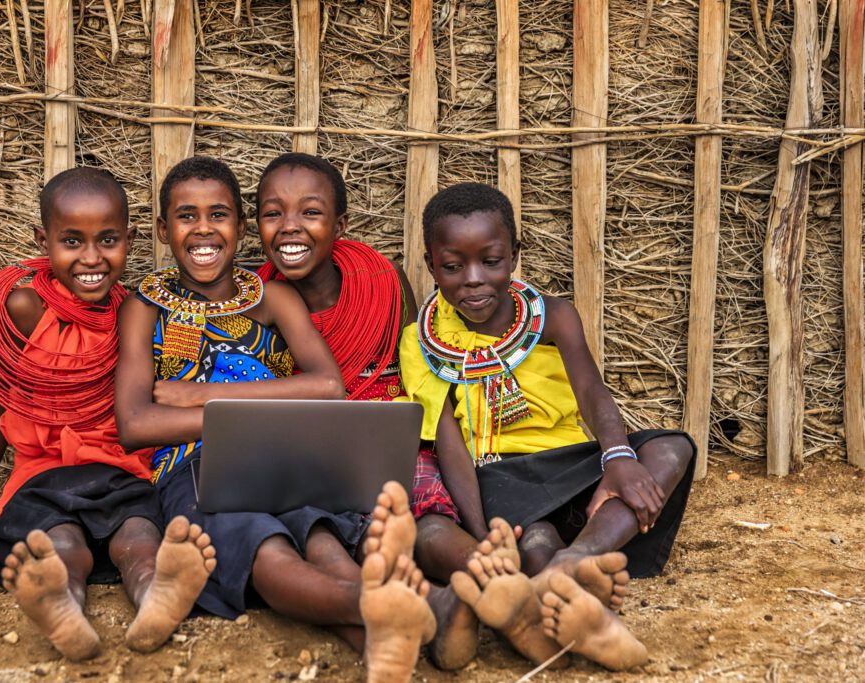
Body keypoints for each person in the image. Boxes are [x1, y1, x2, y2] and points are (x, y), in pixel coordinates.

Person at [114, 156, 435, 683]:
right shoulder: (145, 307)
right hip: (196, 468)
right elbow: (135, 424)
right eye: (186, 216)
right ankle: (388, 606)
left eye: (218, 215)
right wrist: (247, 418)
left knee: (323, 539)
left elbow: (328, 387)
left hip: (284, 459)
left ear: (240, 229)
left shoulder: (272, 297)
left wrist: (202, 398)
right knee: (267, 549)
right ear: (162, 229)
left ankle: (386, 634)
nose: (202, 230)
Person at [0, 167, 216, 660]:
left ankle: (158, 595)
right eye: (72, 241)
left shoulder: (135, 314)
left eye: (107, 240)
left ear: (130, 239)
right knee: (60, 545)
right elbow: (3, 401)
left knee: (139, 540)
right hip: (42, 473)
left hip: (120, 471)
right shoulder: (28, 307)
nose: (91, 258)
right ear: (42, 240)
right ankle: (63, 606)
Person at [400, 182, 696, 670]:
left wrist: (617, 457)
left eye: (490, 261)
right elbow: (448, 437)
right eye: (452, 267)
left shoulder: (553, 316)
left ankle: (578, 559)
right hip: (495, 474)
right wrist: (481, 535)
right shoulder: (421, 341)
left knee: (670, 448)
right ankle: (577, 610)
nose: (473, 280)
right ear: (431, 265)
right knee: (535, 540)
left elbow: (590, 389)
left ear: (515, 255)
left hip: (568, 464)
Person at [255, 152, 491, 669]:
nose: (290, 227)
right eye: (273, 213)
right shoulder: (257, 305)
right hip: (307, 459)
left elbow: (417, 377)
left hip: (387, 439)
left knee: (426, 518)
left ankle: (501, 585)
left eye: (310, 213)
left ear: (341, 224)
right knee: (343, 534)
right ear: (257, 225)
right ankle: (425, 608)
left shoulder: (382, 281)